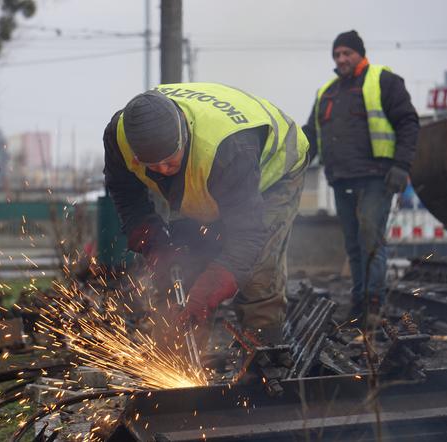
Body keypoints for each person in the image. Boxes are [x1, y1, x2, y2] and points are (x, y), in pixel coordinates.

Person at [103, 82, 309, 360]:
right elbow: (127, 193)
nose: (162, 170)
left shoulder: (229, 150)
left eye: (168, 161)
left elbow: (247, 236)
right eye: (152, 165)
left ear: (183, 136)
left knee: (258, 272)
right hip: (212, 176)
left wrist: (214, 282)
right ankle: (174, 364)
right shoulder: (119, 137)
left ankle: (267, 360)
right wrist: (152, 242)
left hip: (274, 172)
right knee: (183, 266)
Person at [302, 30, 419, 324]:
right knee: (353, 245)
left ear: (360, 54)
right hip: (341, 179)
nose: (341, 59)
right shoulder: (327, 93)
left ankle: (373, 306)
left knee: (370, 242)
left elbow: (408, 122)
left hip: (376, 178)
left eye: (347, 53)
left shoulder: (383, 82)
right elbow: (311, 137)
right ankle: (359, 305)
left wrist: (401, 165)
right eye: (337, 54)